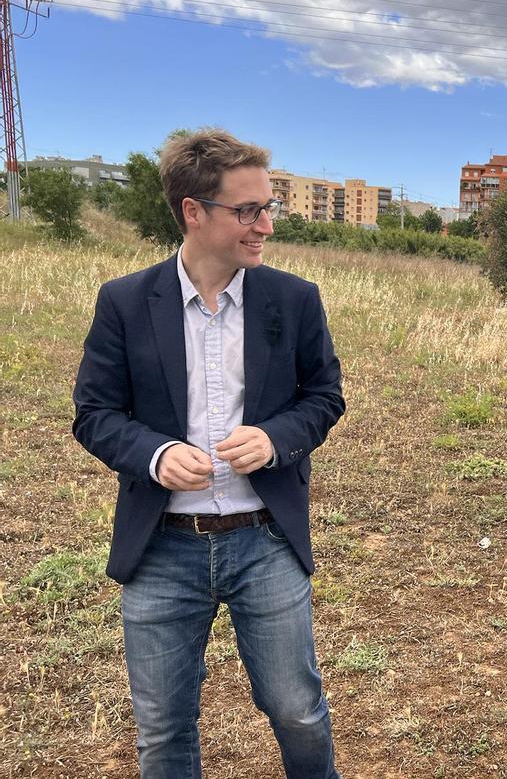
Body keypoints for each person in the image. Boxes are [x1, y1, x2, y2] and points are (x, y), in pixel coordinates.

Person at [72, 129, 345, 777]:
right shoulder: (126, 302)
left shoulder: (294, 299)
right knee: (164, 734)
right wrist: (157, 453)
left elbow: (325, 397)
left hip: (264, 539)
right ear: (194, 212)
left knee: (298, 712)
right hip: (162, 547)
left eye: (268, 207)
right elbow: (94, 413)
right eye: (248, 211)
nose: (266, 225)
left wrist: (278, 438)